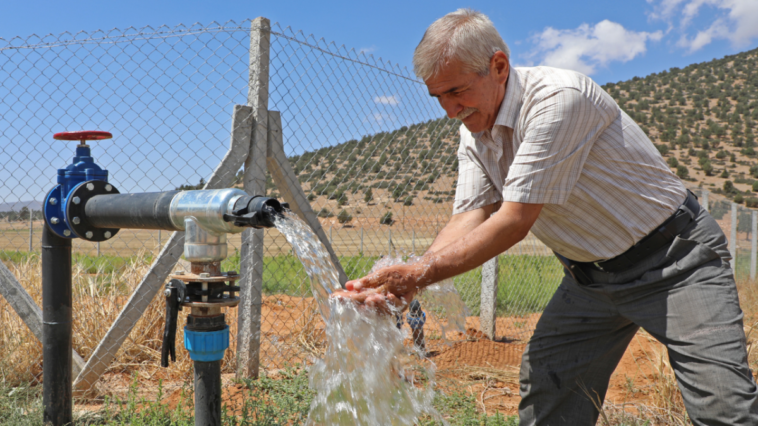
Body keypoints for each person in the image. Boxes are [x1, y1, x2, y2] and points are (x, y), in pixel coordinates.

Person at [339, 8, 758, 426]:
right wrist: (408, 277)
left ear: (498, 66)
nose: (450, 110)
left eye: (457, 91)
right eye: (439, 97)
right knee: (550, 396)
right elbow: (470, 215)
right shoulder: (475, 133)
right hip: (590, 281)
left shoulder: (559, 99)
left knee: (723, 409)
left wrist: (418, 275)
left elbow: (514, 219)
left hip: (676, 260)